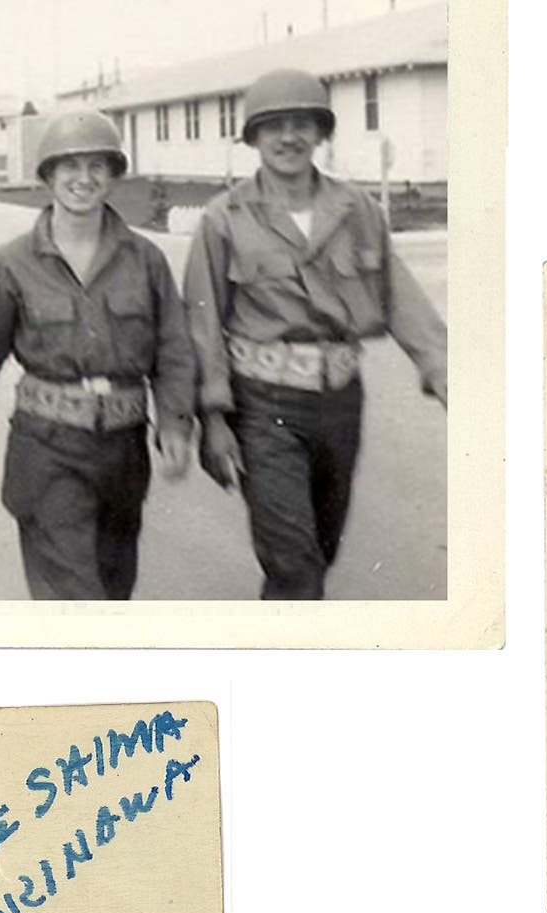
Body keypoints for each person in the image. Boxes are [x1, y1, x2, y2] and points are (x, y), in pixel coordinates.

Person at [183, 67, 447, 600]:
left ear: (322, 133)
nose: (288, 138)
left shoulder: (358, 210)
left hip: (339, 404)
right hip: (262, 405)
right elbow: (202, 322)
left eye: (302, 124)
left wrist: (443, 369)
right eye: (273, 126)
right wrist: (212, 417)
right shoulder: (224, 219)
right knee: (295, 564)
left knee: (319, 555)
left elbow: (401, 298)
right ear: (253, 137)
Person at [0, 109, 197, 601]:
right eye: (69, 166)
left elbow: (173, 348)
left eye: (98, 166)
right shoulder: (12, 264)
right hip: (46, 449)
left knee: (114, 591)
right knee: (77, 598)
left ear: (114, 176)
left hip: (122, 451)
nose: (83, 179)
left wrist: (176, 423)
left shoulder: (145, 260)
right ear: (48, 176)